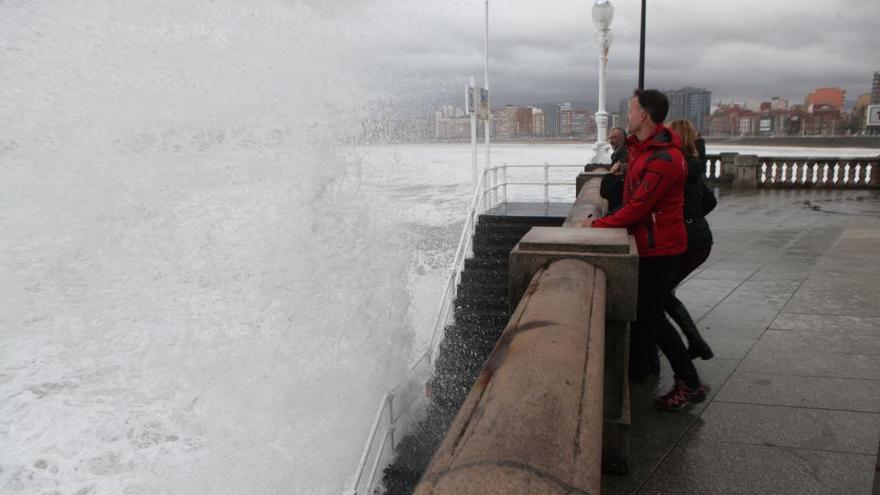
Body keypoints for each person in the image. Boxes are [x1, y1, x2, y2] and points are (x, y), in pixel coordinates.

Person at [584, 89, 706, 411]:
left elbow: (638, 208)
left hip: (661, 249)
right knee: (648, 317)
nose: (627, 115)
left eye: (632, 109)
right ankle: (646, 370)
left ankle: (689, 381)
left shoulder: (664, 159)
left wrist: (597, 226)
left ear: (645, 115)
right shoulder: (643, 150)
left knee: (653, 319)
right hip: (651, 244)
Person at [666, 119, 716, 360]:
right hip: (699, 239)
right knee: (662, 291)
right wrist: (694, 219)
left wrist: (685, 221)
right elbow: (710, 201)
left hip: (691, 241)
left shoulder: (679, 167)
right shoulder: (692, 166)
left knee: (659, 293)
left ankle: (697, 343)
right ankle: (696, 343)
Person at [600, 127, 629, 212]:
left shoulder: (624, 158)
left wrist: (610, 173)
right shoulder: (618, 155)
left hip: (619, 208)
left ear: (623, 138)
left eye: (614, 137)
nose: (611, 141)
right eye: (610, 138)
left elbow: (606, 191)